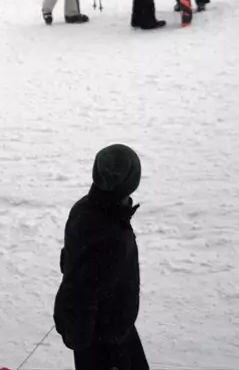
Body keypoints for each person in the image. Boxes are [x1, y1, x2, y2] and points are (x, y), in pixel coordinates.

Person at [53, 144, 147, 370]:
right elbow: (82, 290)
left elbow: (71, 263)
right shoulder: (111, 232)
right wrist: (82, 340)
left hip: (112, 326)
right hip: (104, 339)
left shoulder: (85, 208)